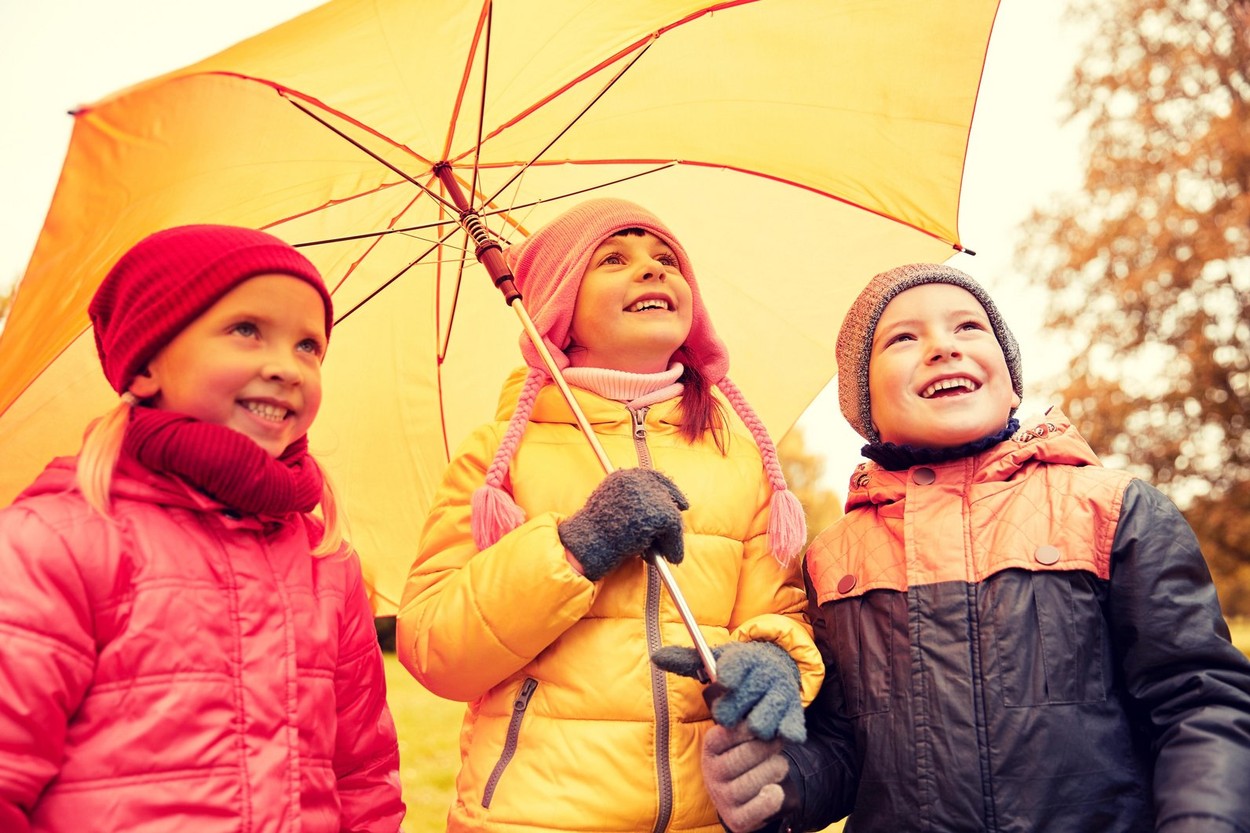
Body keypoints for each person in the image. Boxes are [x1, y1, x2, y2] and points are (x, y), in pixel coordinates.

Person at [695, 262, 1250, 833]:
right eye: (903, 338)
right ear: (866, 410)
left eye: (968, 327)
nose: (942, 347)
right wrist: (782, 782)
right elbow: (844, 747)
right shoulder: (833, 558)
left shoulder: (1112, 511)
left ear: (1011, 381)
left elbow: (1199, 703)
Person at [395, 198, 825, 832]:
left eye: (666, 259)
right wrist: (575, 546)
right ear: (562, 306)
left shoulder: (737, 456)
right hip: (534, 816)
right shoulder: (499, 461)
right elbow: (433, 646)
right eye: (614, 259)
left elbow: (778, 607)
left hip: (705, 816)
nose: (651, 270)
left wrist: (775, 659)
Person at [0, 225, 405, 832]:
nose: (287, 368)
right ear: (147, 364)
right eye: (247, 330)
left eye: (308, 346)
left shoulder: (326, 562)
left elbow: (363, 777)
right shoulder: (57, 543)